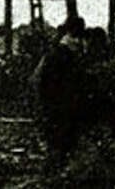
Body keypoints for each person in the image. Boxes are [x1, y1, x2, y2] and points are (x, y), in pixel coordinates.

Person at [37, 15, 89, 161]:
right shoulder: (63, 52)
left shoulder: (61, 49)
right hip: (59, 99)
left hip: (58, 99)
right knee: (61, 134)